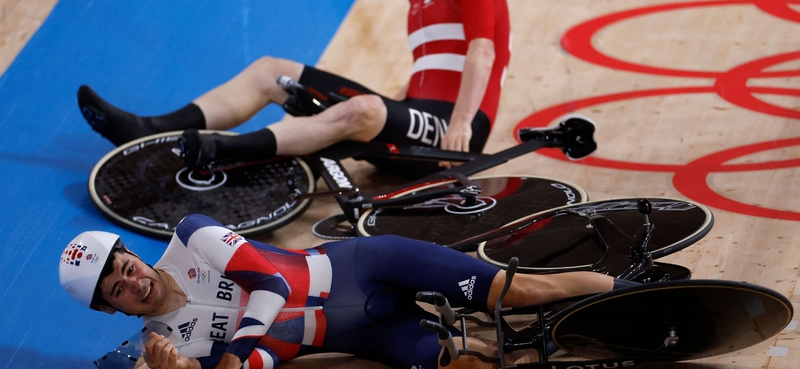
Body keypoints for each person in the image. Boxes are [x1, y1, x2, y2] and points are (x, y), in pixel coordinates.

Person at [77, 0, 511, 176]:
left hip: (456, 134)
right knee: (272, 70)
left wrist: (460, 126)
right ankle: (150, 128)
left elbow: (482, 52)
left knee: (364, 110)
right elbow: (427, 79)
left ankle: (223, 150)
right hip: (419, 124)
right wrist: (392, 109)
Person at [60, 214, 635, 369]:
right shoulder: (165, 347)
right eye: (119, 289)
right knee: (471, 365)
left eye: (127, 265)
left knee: (520, 290)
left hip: (369, 267)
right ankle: (561, 345)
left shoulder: (191, 236)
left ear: (134, 251)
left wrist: (231, 356)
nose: (134, 281)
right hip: (369, 332)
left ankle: (636, 290)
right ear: (111, 308)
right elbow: (265, 357)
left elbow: (271, 282)